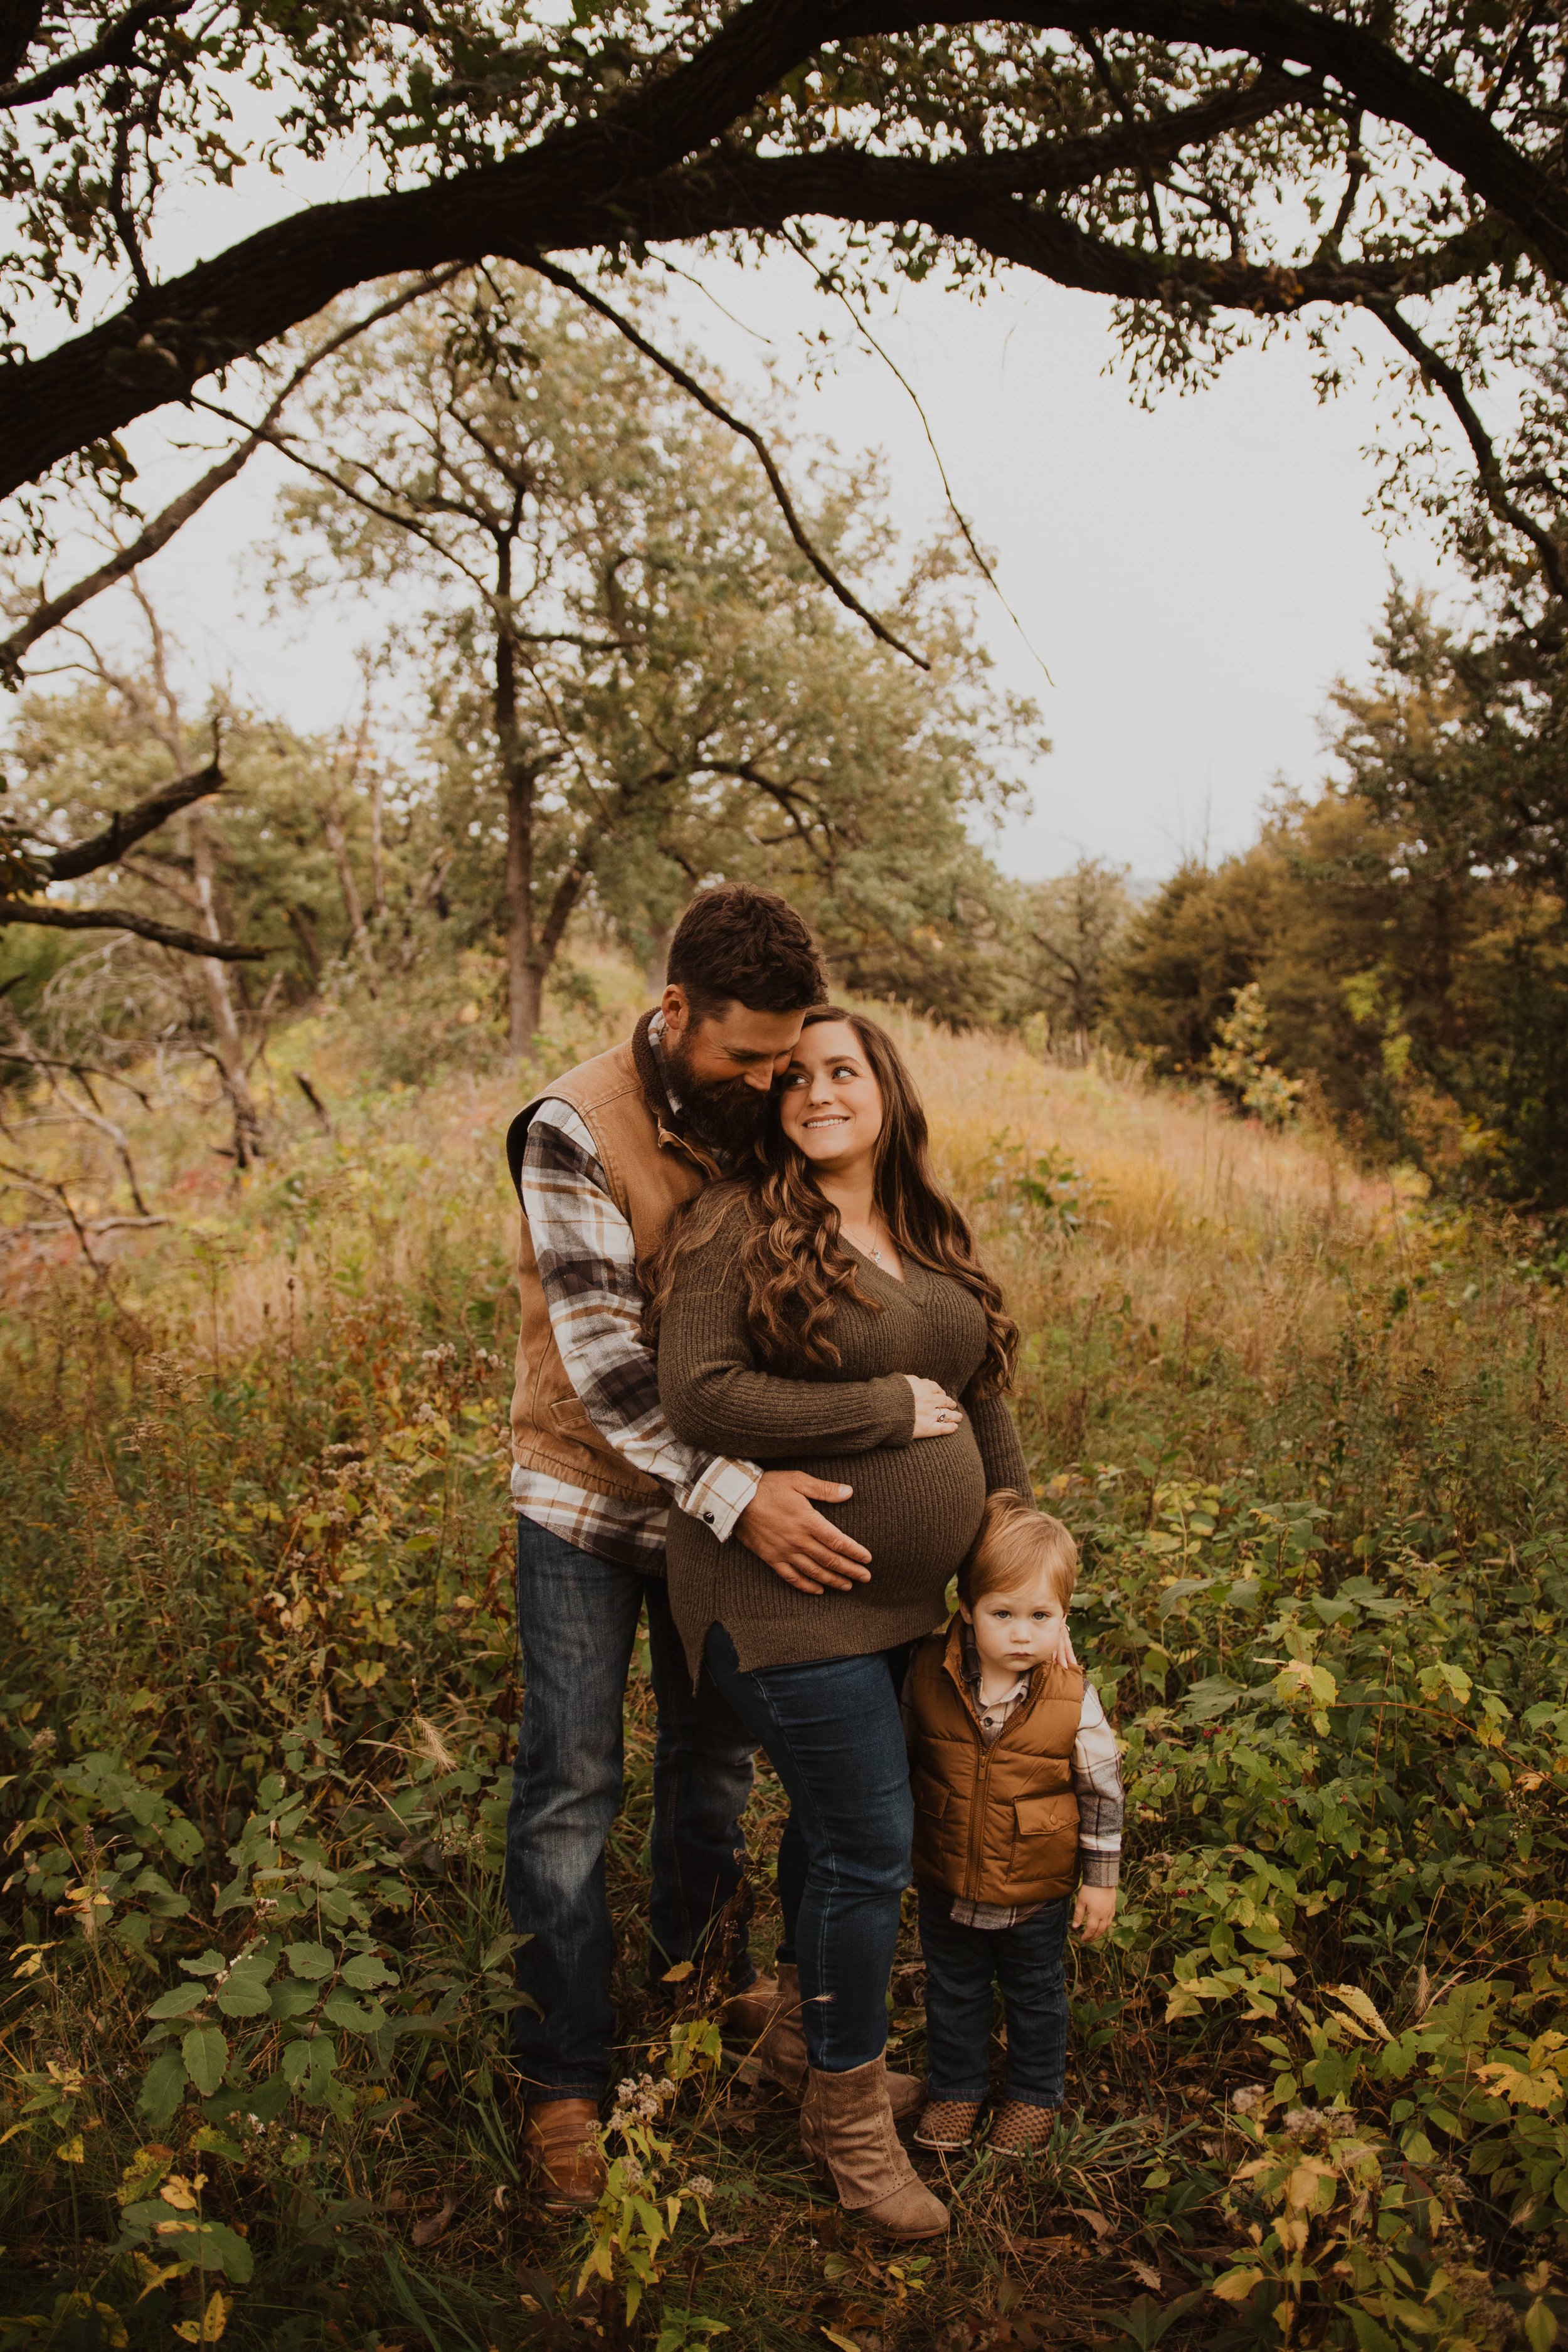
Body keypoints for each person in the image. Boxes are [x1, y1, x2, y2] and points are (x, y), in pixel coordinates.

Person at [504, 884, 879, 2213]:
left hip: (724, 1520)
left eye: (786, 1058)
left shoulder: (759, 1109)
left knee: (714, 1768)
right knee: (570, 1790)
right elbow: (608, 1375)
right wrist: (743, 1493)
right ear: (674, 1014)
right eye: (746, 1055)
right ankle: (562, 2080)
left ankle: (700, 1995)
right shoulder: (572, 1127)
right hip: (592, 1509)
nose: (770, 1080)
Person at [649, 1007, 1030, 2239]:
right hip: (775, 1591)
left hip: (904, 1600)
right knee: (873, 1839)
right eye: (795, 1077)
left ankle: (804, 2056)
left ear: (884, 1089)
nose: (815, 1092)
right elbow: (695, 1391)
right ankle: (849, 2123)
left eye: (840, 1071)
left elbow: (977, 1399)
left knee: (832, 1836)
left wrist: (1014, 1553)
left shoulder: (924, 1227)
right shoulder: (733, 1222)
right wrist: (874, 1409)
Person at [903, 1492, 1123, 2155]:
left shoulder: (1070, 1695)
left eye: (1041, 1616)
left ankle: (1032, 2096)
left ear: (1063, 1619)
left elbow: (1102, 1790)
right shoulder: (925, 1674)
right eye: (1003, 1614)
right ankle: (957, 2089)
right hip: (946, 1878)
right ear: (966, 1613)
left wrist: (1100, 1882)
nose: (1022, 1634)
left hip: (1037, 1887)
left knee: (1034, 1995)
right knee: (954, 1990)